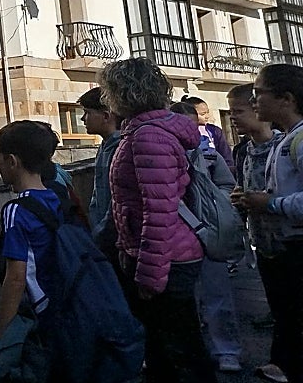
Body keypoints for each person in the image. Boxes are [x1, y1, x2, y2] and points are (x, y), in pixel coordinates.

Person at [100, 57, 217, 383]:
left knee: (180, 350)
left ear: (121, 93)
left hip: (166, 259)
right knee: (169, 349)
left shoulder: (148, 137)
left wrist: (150, 276)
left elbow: (159, 208)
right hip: (163, 254)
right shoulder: (145, 131)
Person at [231, 64, 303, 383]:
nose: (255, 100)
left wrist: (270, 203)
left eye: (259, 93)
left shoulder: (298, 141)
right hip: (281, 246)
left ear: (285, 99)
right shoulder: (286, 140)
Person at [169, 99, 242, 371]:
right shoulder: (164, 153)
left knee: (217, 291)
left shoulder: (210, 155)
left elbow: (226, 183)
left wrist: (216, 203)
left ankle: (227, 349)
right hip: (178, 231)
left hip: (208, 228)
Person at [0, 121, 65, 349]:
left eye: (0, 158)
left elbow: (15, 277)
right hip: (62, 299)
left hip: (37, 307)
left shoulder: (16, 210)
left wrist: (1, 334)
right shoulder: (57, 196)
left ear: (12, 161)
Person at [80, 87, 122, 261]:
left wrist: (101, 232)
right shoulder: (105, 146)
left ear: (106, 116)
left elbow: (118, 199)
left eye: (87, 113)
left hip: (115, 239)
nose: (83, 119)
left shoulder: (121, 147)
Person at [184, 94, 237, 175]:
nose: (207, 116)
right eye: (202, 114)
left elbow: (226, 154)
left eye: (207, 112)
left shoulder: (214, 131)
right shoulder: (184, 132)